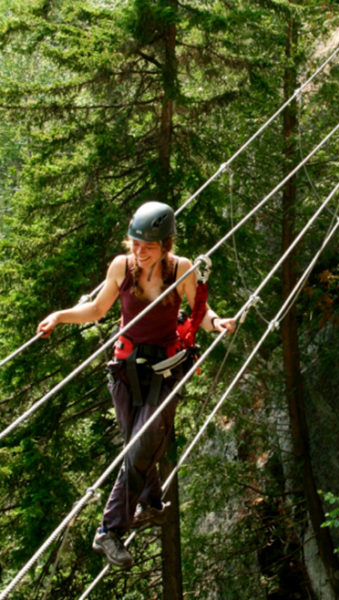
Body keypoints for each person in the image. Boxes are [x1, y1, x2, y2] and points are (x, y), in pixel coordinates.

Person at [37, 201, 235, 568]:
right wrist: (59, 316)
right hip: (125, 370)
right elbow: (97, 310)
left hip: (165, 369)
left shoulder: (181, 269)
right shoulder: (122, 267)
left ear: (166, 245)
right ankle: (152, 502)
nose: (140, 252)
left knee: (142, 445)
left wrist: (217, 322)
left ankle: (108, 531)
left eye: (148, 246)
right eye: (135, 244)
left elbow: (198, 313)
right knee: (137, 446)